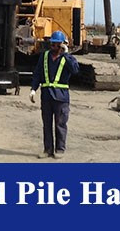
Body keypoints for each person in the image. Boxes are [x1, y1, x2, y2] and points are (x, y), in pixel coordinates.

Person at [30, 30, 80, 159]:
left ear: (62, 44)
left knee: (60, 124)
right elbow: (37, 73)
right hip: (46, 96)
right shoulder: (45, 56)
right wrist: (33, 89)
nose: (54, 46)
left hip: (61, 97)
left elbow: (75, 70)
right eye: (52, 44)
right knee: (47, 125)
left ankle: (60, 149)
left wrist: (66, 54)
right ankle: (47, 150)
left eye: (57, 44)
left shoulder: (67, 58)